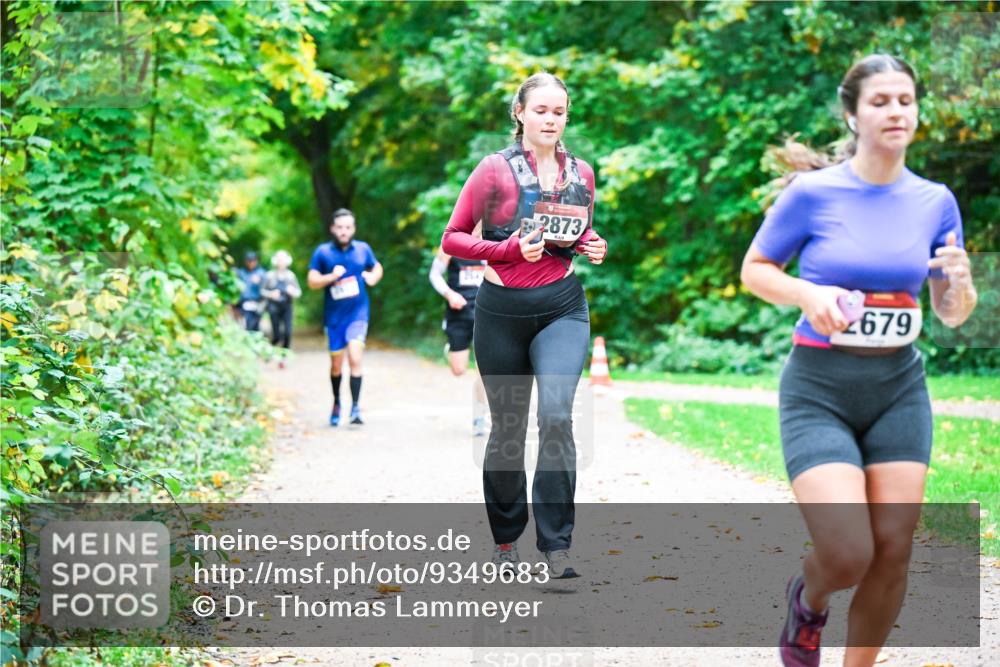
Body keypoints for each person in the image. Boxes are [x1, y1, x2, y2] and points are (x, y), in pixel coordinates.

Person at [740, 54, 977, 667]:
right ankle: (808, 598)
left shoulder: (935, 201)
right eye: (880, 101)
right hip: (819, 388)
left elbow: (951, 313)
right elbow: (755, 270)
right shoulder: (813, 193)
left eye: (906, 100)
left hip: (899, 389)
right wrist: (807, 293)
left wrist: (962, 285)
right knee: (848, 553)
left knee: (893, 549)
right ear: (852, 115)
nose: (896, 111)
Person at [441, 72, 608, 579]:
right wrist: (509, 250)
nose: (550, 120)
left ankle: (557, 546)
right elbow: (453, 238)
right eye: (541, 110)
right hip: (501, 312)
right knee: (507, 429)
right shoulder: (494, 170)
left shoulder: (582, 172)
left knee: (556, 417)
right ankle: (506, 541)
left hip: (562, 307)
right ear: (520, 113)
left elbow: (574, 232)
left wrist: (591, 243)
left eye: (559, 112)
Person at [307, 209, 384, 427]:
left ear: (353, 229)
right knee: (336, 366)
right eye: (340, 227)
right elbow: (312, 281)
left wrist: (373, 277)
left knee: (356, 358)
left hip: (358, 314)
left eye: (348, 227)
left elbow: (377, 267)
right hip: (334, 319)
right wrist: (331, 277)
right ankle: (337, 402)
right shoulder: (323, 252)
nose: (344, 231)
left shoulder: (362, 249)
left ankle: (356, 408)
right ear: (333, 228)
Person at [428, 226, 489, 436]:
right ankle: (452, 350)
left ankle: (479, 418)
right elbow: (435, 274)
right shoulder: (452, 243)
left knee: (484, 369)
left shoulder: (493, 241)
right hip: (458, 312)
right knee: (458, 370)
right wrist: (449, 294)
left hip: (485, 312)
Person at [263, 250, 302, 362]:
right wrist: (271, 294)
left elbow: (298, 292)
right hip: (274, 307)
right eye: (279, 260)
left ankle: (284, 356)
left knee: (287, 332)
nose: (281, 262)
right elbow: (262, 291)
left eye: (283, 260)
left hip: (287, 307)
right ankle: (270, 351)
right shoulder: (270, 276)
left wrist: (292, 292)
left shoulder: (291, 276)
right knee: (277, 334)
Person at [236, 251, 267, 332]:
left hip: (258, 302)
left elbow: (267, 288)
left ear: (256, 261)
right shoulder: (241, 273)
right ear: (246, 261)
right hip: (244, 302)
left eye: (253, 261)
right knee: (248, 324)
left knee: (256, 325)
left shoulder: (261, 273)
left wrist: (260, 282)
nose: (251, 263)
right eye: (249, 261)